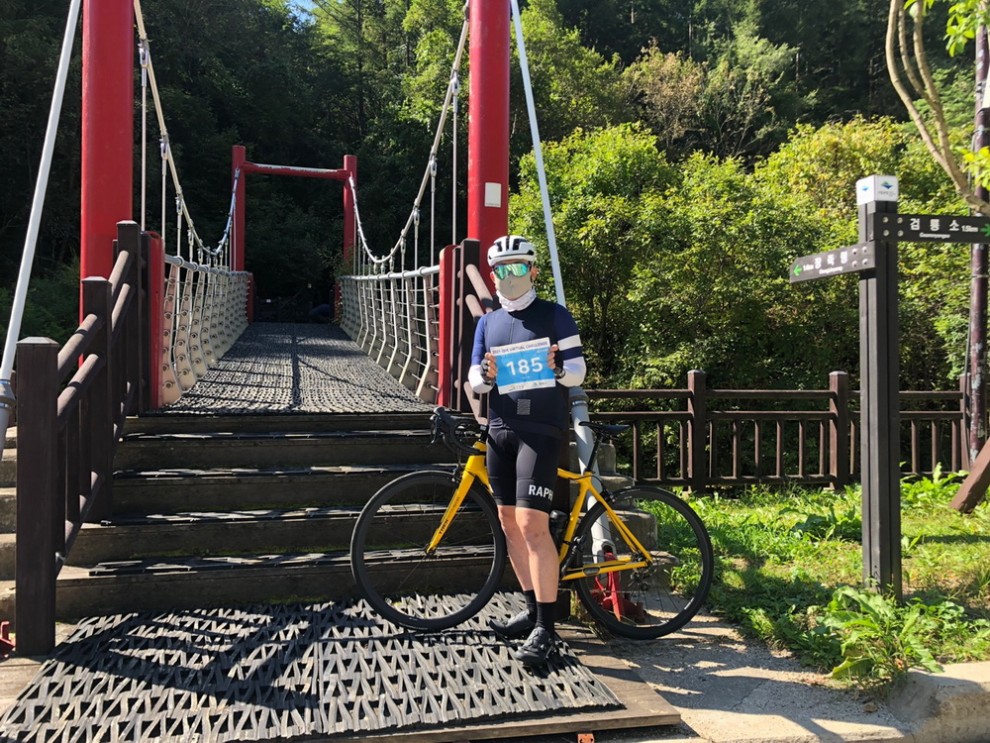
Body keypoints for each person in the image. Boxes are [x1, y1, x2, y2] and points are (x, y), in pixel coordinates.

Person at [468, 234, 586, 666]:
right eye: (500, 269)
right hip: (501, 428)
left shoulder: (555, 315)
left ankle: (547, 630)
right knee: (508, 523)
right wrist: (485, 375)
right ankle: (533, 611)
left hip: (540, 431)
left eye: (518, 267)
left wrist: (558, 368)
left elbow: (577, 372)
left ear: (533, 271)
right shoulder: (487, 323)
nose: (508, 276)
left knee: (533, 525)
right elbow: (475, 380)